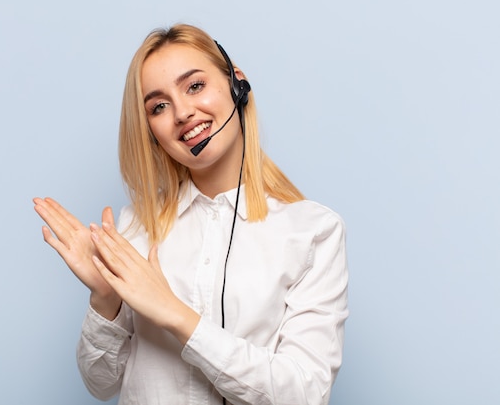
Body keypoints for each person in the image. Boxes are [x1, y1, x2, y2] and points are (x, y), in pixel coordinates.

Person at [33, 23, 348, 405]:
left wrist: (177, 317)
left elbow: (304, 393)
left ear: (237, 85)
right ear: (151, 130)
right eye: (159, 106)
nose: (182, 112)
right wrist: (105, 299)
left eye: (195, 86)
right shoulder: (135, 227)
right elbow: (101, 384)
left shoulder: (313, 232)